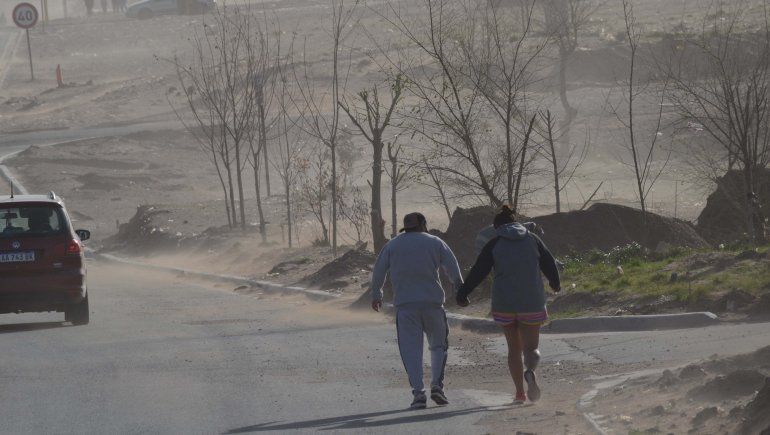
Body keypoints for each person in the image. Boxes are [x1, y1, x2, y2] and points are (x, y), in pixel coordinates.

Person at [456, 205, 560, 405]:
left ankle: (520, 393)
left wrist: (463, 294)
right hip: (532, 302)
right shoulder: (533, 239)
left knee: (514, 349)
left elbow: (479, 270)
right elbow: (549, 263)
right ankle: (530, 371)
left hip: (504, 304)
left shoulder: (494, 243)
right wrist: (555, 284)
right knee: (532, 348)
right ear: (516, 223)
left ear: (497, 227)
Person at [370, 212, 463, 410]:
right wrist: (459, 288)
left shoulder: (393, 245)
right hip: (433, 304)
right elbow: (452, 266)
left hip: (405, 306)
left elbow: (379, 270)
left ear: (406, 227)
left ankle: (418, 394)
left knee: (411, 349)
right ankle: (437, 386)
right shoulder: (435, 242)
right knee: (438, 346)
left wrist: (376, 295)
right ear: (423, 224)